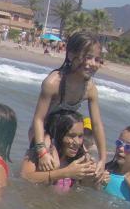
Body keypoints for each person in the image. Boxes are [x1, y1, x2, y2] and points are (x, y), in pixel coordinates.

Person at [29, 31, 105, 174]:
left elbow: (97, 124)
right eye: (87, 57)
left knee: (89, 163)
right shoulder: (53, 83)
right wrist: (42, 152)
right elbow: (38, 119)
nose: (92, 63)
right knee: (52, 163)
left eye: (97, 59)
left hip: (66, 133)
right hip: (42, 133)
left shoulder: (90, 88)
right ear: (70, 55)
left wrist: (102, 158)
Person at [20, 108, 97, 192]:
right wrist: (65, 173)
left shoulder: (79, 159)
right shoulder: (40, 154)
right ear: (58, 135)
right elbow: (25, 177)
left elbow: (85, 187)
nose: (77, 142)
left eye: (80, 136)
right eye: (71, 136)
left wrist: (92, 178)